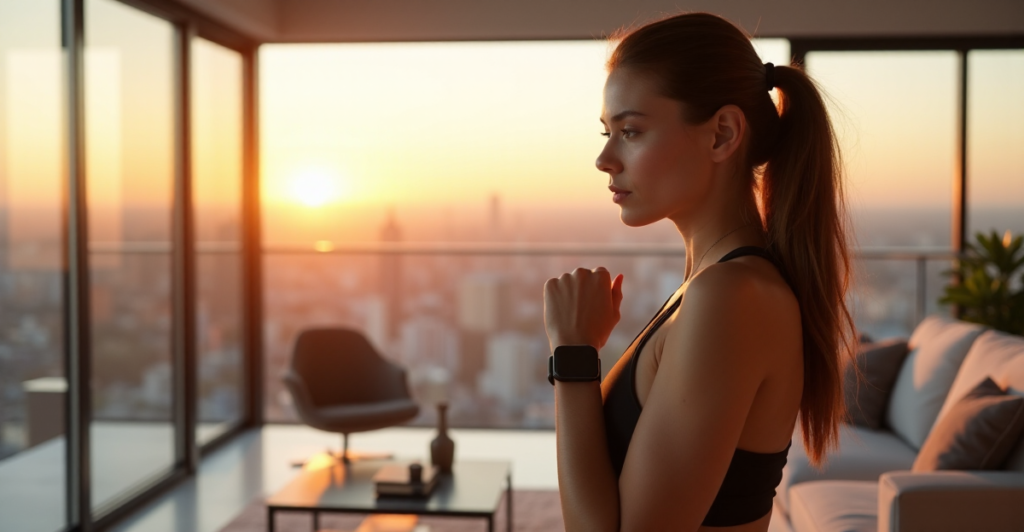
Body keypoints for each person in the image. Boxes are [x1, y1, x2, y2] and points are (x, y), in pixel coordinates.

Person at [542, 12, 856, 531]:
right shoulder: (710, 286)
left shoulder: (732, 296)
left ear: (722, 134)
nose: (604, 158)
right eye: (608, 131)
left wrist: (573, 353)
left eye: (631, 130)